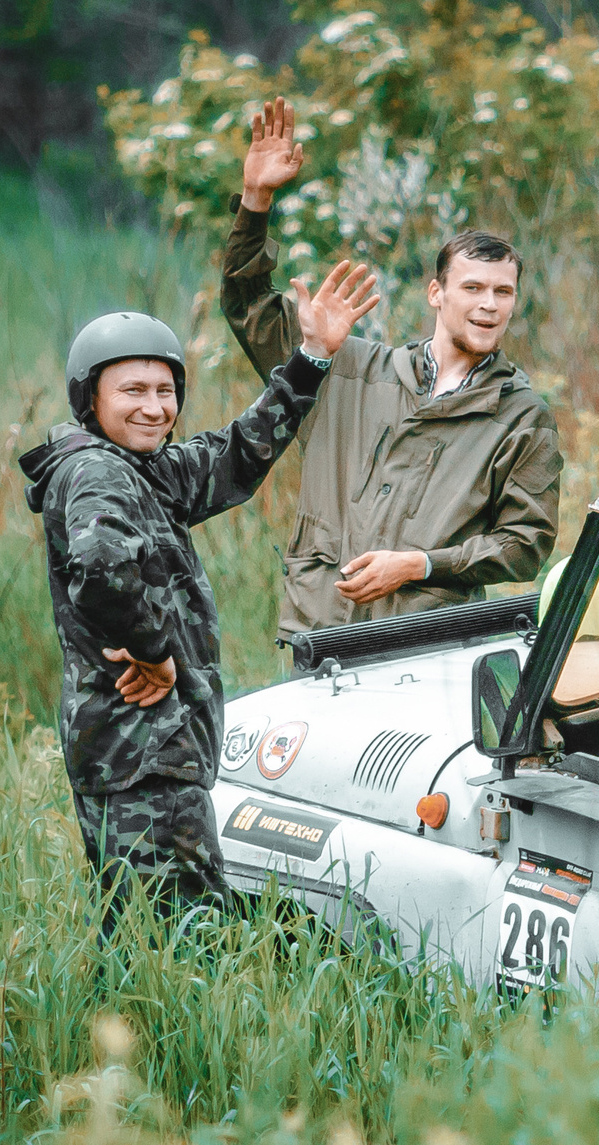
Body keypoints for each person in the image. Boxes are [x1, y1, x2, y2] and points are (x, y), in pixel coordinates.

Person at [20, 262, 381, 935]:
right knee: (180, 940)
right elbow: (100, 569)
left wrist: (312, 358)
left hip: (144, 753)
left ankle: (132, 1036)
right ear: (88, 397)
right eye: (131, 390)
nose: (154, 407)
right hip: (142, 751)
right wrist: (155, 654)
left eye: (165, 389)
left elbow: (235, 456)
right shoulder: (98, 472)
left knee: (141, 931)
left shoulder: (138, 467)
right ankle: (164, 1039)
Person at [219, 97, 562, 638]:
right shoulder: (344, 365)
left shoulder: (522, 416)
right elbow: (247, 305)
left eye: (503, 292)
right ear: (436, 293)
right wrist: (257, 200)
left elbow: (525, 546)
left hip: (427, 650)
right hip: (320, 634)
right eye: (472, 287)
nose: (489, 305)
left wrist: (420, 565)